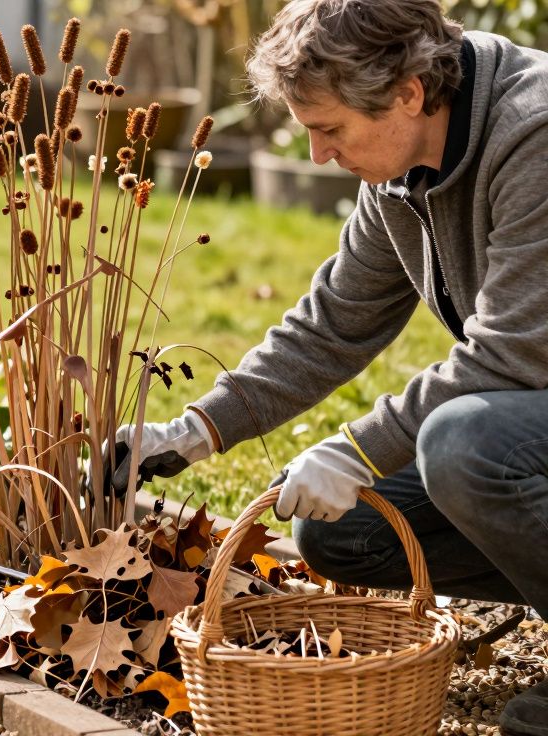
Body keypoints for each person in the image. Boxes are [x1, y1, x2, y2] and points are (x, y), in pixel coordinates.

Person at [116, 1, 548, 733]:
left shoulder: (533, 135)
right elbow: (333, 324)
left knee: (463, 449)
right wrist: (191, 433)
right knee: (341, 531)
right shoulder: (402, 167)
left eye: (329, 130)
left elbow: (514, 355)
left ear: (409, 92)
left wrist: (353, 451)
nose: (318, 155)